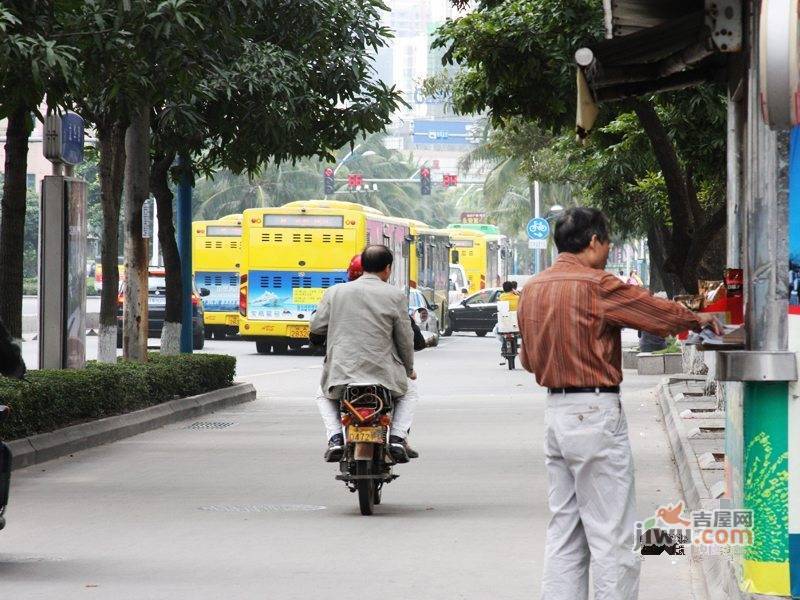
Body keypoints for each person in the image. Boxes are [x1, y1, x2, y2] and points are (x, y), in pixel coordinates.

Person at [516, 207, 722, 600]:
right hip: (595, 413)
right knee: (612, 533)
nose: (608, 250)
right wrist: (697, 319)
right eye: (607, 242)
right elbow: (652, 312)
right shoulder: (596, 284)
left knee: (565, 531)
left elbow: (527, 360)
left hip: (556, 416)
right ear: (594, 242)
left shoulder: (533, 289)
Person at [311, 246, 419, 464]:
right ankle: (398, 437)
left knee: (323, 394)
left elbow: (316, 327)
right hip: (384, 376)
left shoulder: (335, 292)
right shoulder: (395, 295)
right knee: (410, 391)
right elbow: (405, 339)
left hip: (341, 374)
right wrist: (409, 369)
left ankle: (334, 437)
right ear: (388, 269)